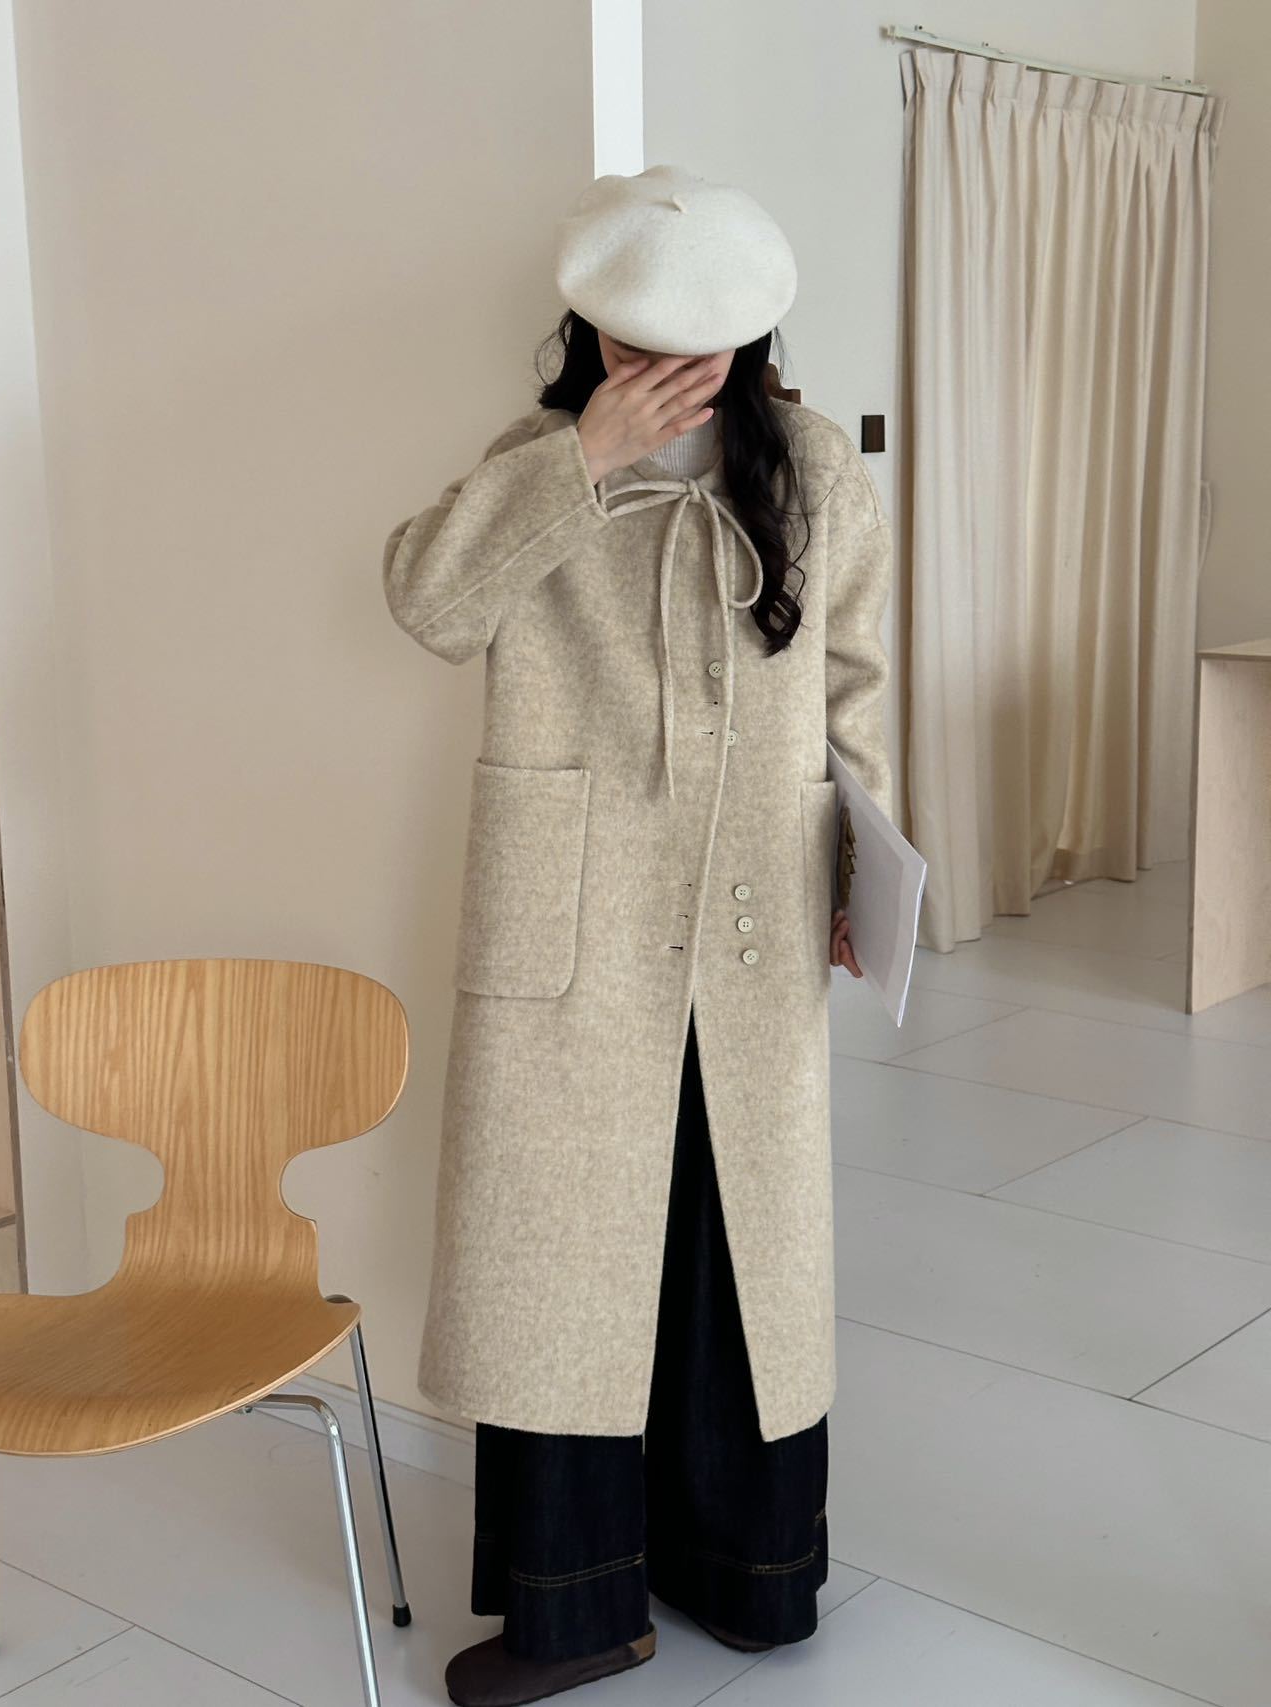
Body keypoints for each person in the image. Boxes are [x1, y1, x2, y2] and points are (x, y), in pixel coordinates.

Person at [381, 164, 893, 1706]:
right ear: (588, 329)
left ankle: (749, 1577)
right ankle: (575, 1607)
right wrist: (582, 461)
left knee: (737, 1241)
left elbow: (855, 678)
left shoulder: (812, 464)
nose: (663, 364)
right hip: (572, 905)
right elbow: (428, 605)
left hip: (752, 900)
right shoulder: (530, 460)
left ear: (753, 335)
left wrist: (864, 862)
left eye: (698, 344)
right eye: (630, 340)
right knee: (557, 1246)